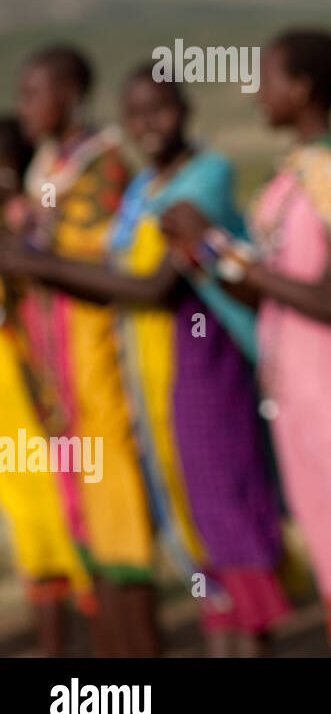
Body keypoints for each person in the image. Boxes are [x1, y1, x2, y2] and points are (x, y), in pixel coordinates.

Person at [161, 30, 331, 657]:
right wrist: (207, 255)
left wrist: (219, 247)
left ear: (303, 88)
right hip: (301, 395)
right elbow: (274, 294)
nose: (255, 92)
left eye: (268, 77)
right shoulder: (290, 179)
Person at [3, 67, 288, 656]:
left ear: (187, 108)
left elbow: (154, 284)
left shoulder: (201, 176)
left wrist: (37, 264)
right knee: (194, 520)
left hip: (203, 361)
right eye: (136, 114)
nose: (147, 125)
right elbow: (112, 277)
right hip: (153, 373)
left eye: (159, 109)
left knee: (225, 515)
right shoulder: (140, 191)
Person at [8, 45, 157, 657]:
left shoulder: (104, 164)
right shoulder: (51, 167)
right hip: (56, 377)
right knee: (85, 528)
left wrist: (31, 255)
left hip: (98, 365)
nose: (24, 109)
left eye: (34, 94)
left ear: (69, 95)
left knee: (120, 522)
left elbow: (99, 257)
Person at [0, 116, 93, 655]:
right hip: (14, 406)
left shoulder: (33, 219)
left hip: (45, 394)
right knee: (35, 535)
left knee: (69, 522)